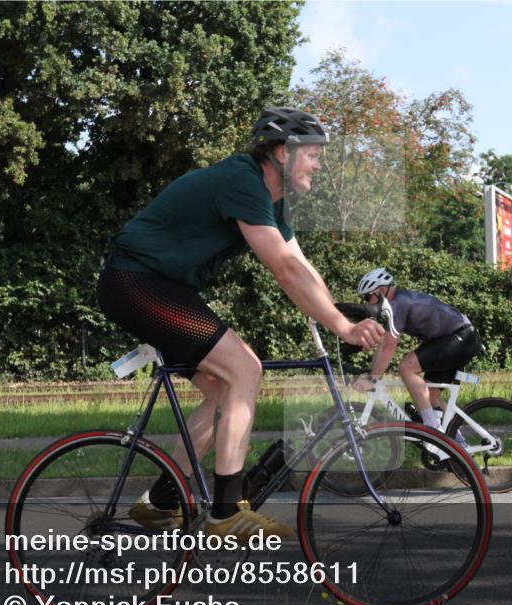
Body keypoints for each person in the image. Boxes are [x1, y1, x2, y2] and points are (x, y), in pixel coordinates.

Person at [97, 108, 384, 540]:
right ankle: (226, 512)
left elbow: (301, 267)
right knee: (246, 368)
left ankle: (160, 503)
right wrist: (342, 328)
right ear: (283, 153)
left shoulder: (272, 198)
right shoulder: (243, 183)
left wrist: (337, 312)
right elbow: (284, 270)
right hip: (136, 282)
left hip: (158, 285)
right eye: (312, 154)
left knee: (222, 390)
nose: (318, 164)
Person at [351, 268, 482, 432]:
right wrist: (372, 372)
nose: (367, 302)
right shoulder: (399, 301)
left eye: (368, 297)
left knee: (406, 367)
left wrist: (372, 378)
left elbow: (388, 346)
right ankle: (456, 447)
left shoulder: (398, 304)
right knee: (431, 395)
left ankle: (432, 431)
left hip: (460, 338)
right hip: (459, 338)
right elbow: (385, 341)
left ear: (381, 291)